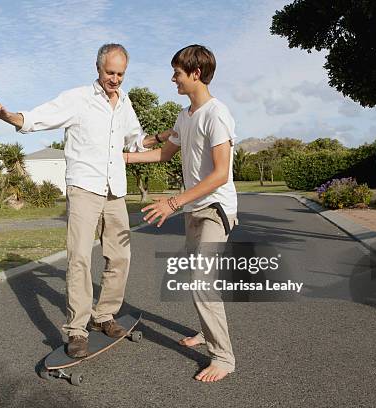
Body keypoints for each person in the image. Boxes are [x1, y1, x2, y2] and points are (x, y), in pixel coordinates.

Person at [0, 43, 173, 358]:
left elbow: (134, 140)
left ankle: (104, 315)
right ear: (98, 69)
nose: (116, 79)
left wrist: (161, 137)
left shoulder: (124, 103)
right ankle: (77, 330)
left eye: (121, 74)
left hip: (115, 190)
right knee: (80, 258)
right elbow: (39, 118)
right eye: (110, 72)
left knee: (120, 257)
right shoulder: (78, 99)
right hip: (84, 187)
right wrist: (6, 116)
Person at [125, 44, 238, 382]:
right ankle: (207, 331)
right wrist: (123, 158)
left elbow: (220, 173)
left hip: (216, 209)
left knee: (203, 283)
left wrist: (172, 202)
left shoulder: (217, 114)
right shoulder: (185, 115)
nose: (172, 77)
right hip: (194, 209)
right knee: (198, 280)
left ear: (196, 73)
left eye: (177, 71)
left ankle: (224, 358)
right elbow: (163, 154)